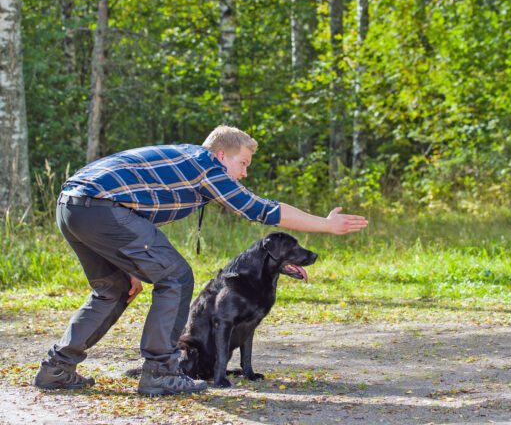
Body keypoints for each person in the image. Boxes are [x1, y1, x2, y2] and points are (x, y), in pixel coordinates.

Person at [33, 125, 368, 395]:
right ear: (222, 155)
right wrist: (325, 225)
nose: (245, 173)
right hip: (100, 207)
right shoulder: (206, 166)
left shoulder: (183, 163)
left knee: (114, 288)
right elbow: (261, 209)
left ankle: (56, 368)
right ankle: (161, 371)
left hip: (73, 205)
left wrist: (127, 267)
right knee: (176, 277)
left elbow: (131, 207)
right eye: (243, 164)